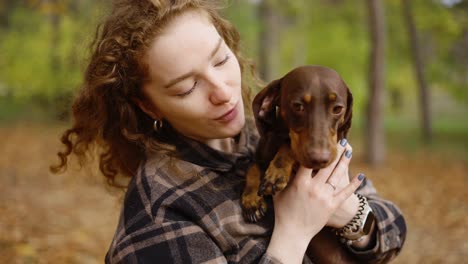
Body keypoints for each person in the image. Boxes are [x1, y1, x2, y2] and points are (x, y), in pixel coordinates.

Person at [51, 0, 406, 263]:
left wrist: (347, 213)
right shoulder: (158, 212)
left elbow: (394, 230)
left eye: (221, 60)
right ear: (150, 106)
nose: (222, 91)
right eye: (187, 87)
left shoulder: (272, 136)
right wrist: (293, 233)